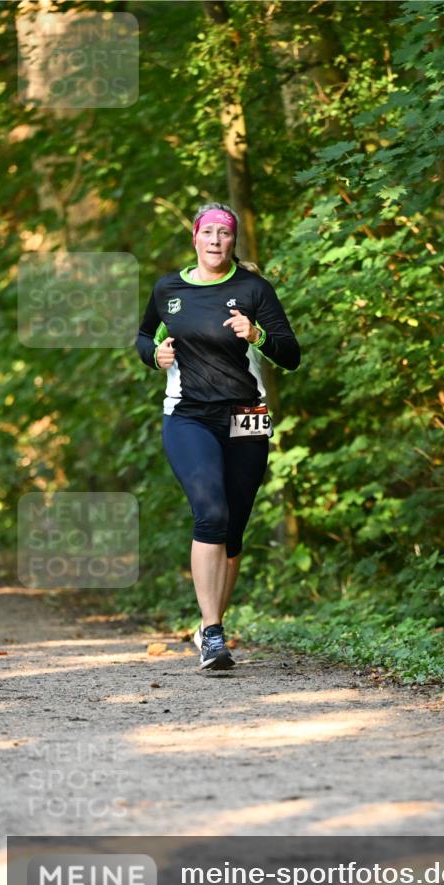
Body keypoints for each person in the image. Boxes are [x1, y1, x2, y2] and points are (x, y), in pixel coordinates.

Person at [135, 202, 300, 670]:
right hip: (188, 415)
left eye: (224, 234)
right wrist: (155, 356)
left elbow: (291, 355)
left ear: (233, 241)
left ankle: (211, 629)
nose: (215, 241)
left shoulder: (253, 289)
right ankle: (212, 633)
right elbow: (145, 336)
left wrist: (257, 334)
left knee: (233, 531)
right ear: (195, 238)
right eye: (207, 232)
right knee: (210, 511)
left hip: (247, 415)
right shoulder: (169, 289)